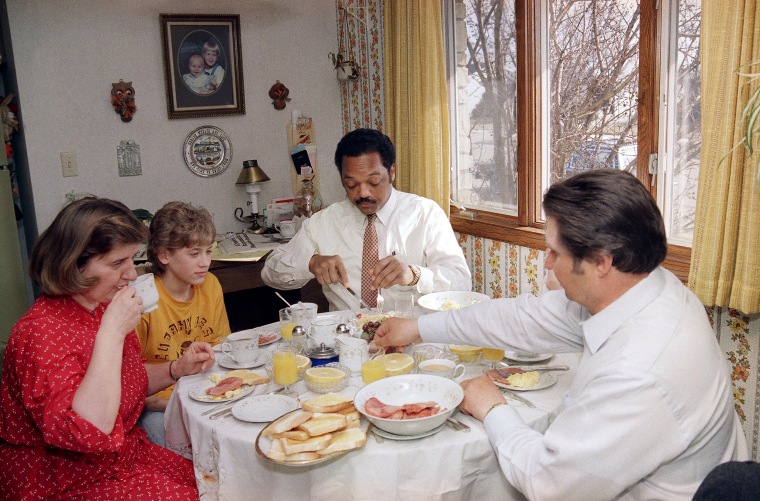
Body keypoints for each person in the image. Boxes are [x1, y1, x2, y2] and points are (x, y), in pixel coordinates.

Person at [373, 169, 748, 500]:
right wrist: (419, 327)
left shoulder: (640, 370)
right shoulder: (647, 285)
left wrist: (492, 408)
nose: (547, 263)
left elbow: (549, 484)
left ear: (601, 262)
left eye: (554, 252)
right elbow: (521, 319)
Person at [0, 197, 214, 499]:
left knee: (215, 483)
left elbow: (124, 382)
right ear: (74, 264)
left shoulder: (99, 306)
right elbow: (90, 430)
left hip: (120, 456)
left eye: (131, 260)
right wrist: (112, 332)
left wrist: (174, 369)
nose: (131, 274)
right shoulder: (40, 332)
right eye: (117, 263)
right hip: (63, 479)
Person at [261, 128, 471, 311]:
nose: (362, 193)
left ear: (392, 172)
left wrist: (414, 275)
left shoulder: (424, 214)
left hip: (409, 336)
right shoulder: (324, 222)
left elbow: (462, 282)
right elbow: (270, 272)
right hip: (347, 340)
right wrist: (310, 263)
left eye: (373, 182)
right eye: (351, 184)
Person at [136, 201, 230, 446]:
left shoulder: (210, 284)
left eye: (208, 251)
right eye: (194, 254)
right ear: (164, 255)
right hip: (158, 404)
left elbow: (222, 348)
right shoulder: (143, 299)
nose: (205, 262)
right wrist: (177, 406)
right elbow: (127, 384)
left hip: (205, 394)